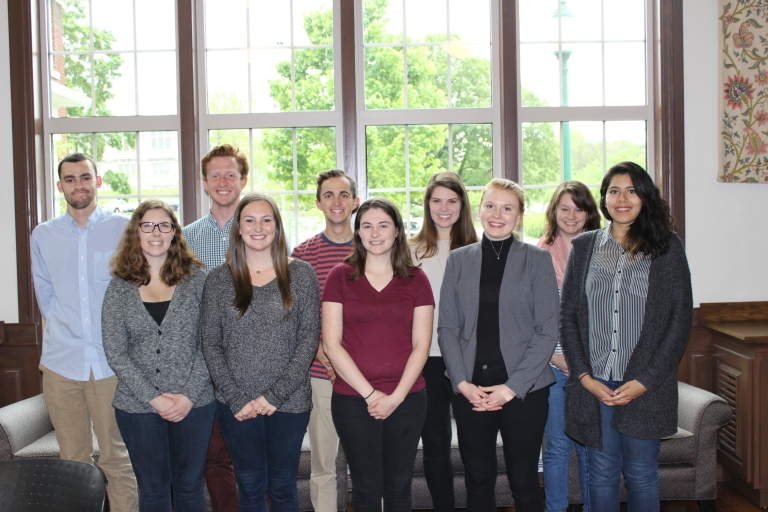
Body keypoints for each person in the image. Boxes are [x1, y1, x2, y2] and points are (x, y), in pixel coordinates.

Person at [560, 162, 693, 512]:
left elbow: (679, 321)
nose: (622, 198)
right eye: (614, 191)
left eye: (632, 190)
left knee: (641, 473)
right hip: (597, 383)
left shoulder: (667, 247)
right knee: (601, 473)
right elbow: (568, 317)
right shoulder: (584, 246)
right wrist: (584, 377)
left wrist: (645, 381)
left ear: (644, 197)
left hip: (646, 385)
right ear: (603, 199)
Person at [439, 178, 559, 512]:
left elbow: (547, 331)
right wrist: (461, 383)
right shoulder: (459, 259)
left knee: (523, 480)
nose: (497, 214)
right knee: (477, 479)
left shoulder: (537, 259)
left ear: (519, 216)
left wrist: (510, 389)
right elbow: (447, 327)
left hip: (525, 390)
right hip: (470, 388)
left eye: (507, 208)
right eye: (490, 205)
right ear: (479, 209)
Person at [31, 153, 138, 512]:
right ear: (60, 186)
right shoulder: (43, 235)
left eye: (85, 177)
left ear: (98, 181)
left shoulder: (124, 228)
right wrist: (68, 328)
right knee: (73, 461)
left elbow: (134, 290)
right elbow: (45, 295)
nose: (79, 185)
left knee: (116, 458)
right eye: (70, 179)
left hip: (111, 363)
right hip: (63, 364)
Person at [201, 192, 320, 512]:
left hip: (290, 402)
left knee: (283, 485)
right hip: (235, 404)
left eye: (266, 220)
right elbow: (210, 343)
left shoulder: (301, 274)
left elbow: (308, 338)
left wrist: (274, 396)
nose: (258, 227)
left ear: (277, 227)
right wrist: (236, 397)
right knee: (249, 484)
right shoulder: (218, 279)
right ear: (238, 228)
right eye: (249, 220)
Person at [322, 197, 434, 512]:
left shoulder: (417, 279)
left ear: (397, 231)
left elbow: (421, 346)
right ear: (357, 233)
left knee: (399, 488)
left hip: (408, 398)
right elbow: (331, 344)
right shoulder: (339, 276)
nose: (375, 233)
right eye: (366, 226)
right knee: (366, 488)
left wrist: (395, 397)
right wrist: (371, 395)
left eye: (383, 225)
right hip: (353, 399)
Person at [102, 199, 214, 511]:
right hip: (137, 407)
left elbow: (210, 344)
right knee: (151, 490)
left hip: (195, 405)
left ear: (175, 233)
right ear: (135, 232)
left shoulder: (197, 281)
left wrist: (187, 396)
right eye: (147, 225)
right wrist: (155, 398)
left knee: (190, 486)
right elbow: (116, 352)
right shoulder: (119, 288)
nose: (156, 232)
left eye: (164, 225)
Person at [183, 143, 248, 512]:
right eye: (215, 175)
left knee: (258, 458)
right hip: (205, 365)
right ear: (205, 183)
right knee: (215, 459)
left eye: (230, 174)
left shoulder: (261, 230)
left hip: (254, 363)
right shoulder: (186, 239)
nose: (223, 181)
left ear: (242, 180)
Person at [408, 172, 478, 512]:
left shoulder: (481, 249)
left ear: (462, 205)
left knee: (473, 444)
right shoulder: (408, 251)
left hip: (472, 359)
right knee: (435, 442)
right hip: (428, 361)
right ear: (427, 205)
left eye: (451, 200)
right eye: (436, 200)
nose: (444, 208)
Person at [291, 169, 359, 512]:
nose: (337, 202)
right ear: (318, 203)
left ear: (355, 202)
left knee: (369, 465)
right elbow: (300, 319)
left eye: (344, 195)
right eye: (329, 195)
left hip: (369, 376)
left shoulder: (372, 248)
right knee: (324, 465)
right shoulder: (302, 255)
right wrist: (326, 357)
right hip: (322, 374)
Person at [537, 181, 601, 512]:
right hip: (554, 366)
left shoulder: (603, 251)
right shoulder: (538, 254)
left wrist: (588, 364)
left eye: (579, 208)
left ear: (590, 213)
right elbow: (531, 319)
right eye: (564, 208)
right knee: (559, 445)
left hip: (595, 368)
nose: (571, 216)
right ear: (554, 212)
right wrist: (555, 357)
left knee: (593, 446)